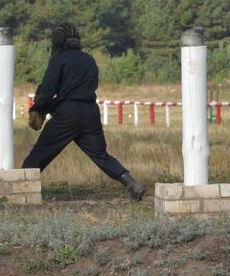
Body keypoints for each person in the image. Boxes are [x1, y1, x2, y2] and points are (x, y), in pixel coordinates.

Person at [23, 22, 146, 200]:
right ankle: (130, 183)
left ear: (58, 40)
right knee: (100, 155)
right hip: (90, 112)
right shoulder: (89, 59)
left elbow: (48, 91)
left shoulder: (58, 60)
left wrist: (37, 108)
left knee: (40, 153)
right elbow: (76, 91)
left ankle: (19, 189)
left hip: (67, 114)